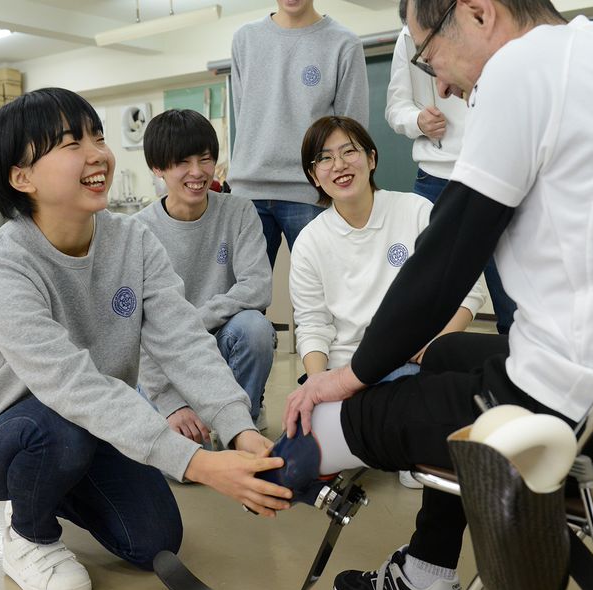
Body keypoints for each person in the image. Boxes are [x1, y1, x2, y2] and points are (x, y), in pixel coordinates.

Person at [276, 1, 593, 590]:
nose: (439, 84)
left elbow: (444, 266)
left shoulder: (522, 70)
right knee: (442, 358)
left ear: (478, 13)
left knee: (359, 416)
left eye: (428, 55)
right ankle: (426, 575)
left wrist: (348, 379)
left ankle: (285, 465)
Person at [0, 88, 291, 590]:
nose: (97, 155)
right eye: (71, 144)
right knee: (58, 424)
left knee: (155, 540)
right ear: (22, 177)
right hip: (0, 437)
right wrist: (199, 464)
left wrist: (239, 429)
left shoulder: (132, 240)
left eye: (98, 137)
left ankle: (46, 486)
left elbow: (184, 342)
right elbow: (72, 386)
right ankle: (28, 532)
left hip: (88, 425)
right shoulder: (4, 266)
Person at [291, 115, 486, 489]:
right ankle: (377, 434)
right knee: (299, 458)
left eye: (349, 152)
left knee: (419, 456)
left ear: (372, 158)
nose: (339, 165)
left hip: (410, 364)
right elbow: (313, 324)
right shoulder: (310, 242)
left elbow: (470, 288)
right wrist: (317, 385)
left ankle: (391, 440)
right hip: (345, 374)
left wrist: (436, 343)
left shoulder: (415, 211)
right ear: (314, 175)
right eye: (325, 158)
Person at [136, 109, 275, 441]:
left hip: (219, 339)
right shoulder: (138, 230)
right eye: (182, 162)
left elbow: (258, 287)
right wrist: (170, 403)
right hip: (165, 356)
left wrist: (191, 322)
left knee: (255, 328)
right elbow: (132, 330)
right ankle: (189, 414)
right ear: (157, 167)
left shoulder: (239, 210)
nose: (197, 172)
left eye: (205, 159)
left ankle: (240, 423)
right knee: (181, 461)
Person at [386, 0, 517, 335]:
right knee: (428, 283)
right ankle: (420, 349)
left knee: (508, 287)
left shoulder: (489, 23)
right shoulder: (409, 36)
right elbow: (395, 107)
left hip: (492, 168)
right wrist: (417, 120)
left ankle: (517, 350)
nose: (443, 86)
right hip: (435, 177)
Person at [229, 0, 370, 268]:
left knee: (323, 286)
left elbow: (353, 131)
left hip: (311, 191)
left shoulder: (344, 43)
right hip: (248, 192)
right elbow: (243, 113)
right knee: (245, 291)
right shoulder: (244, 39)